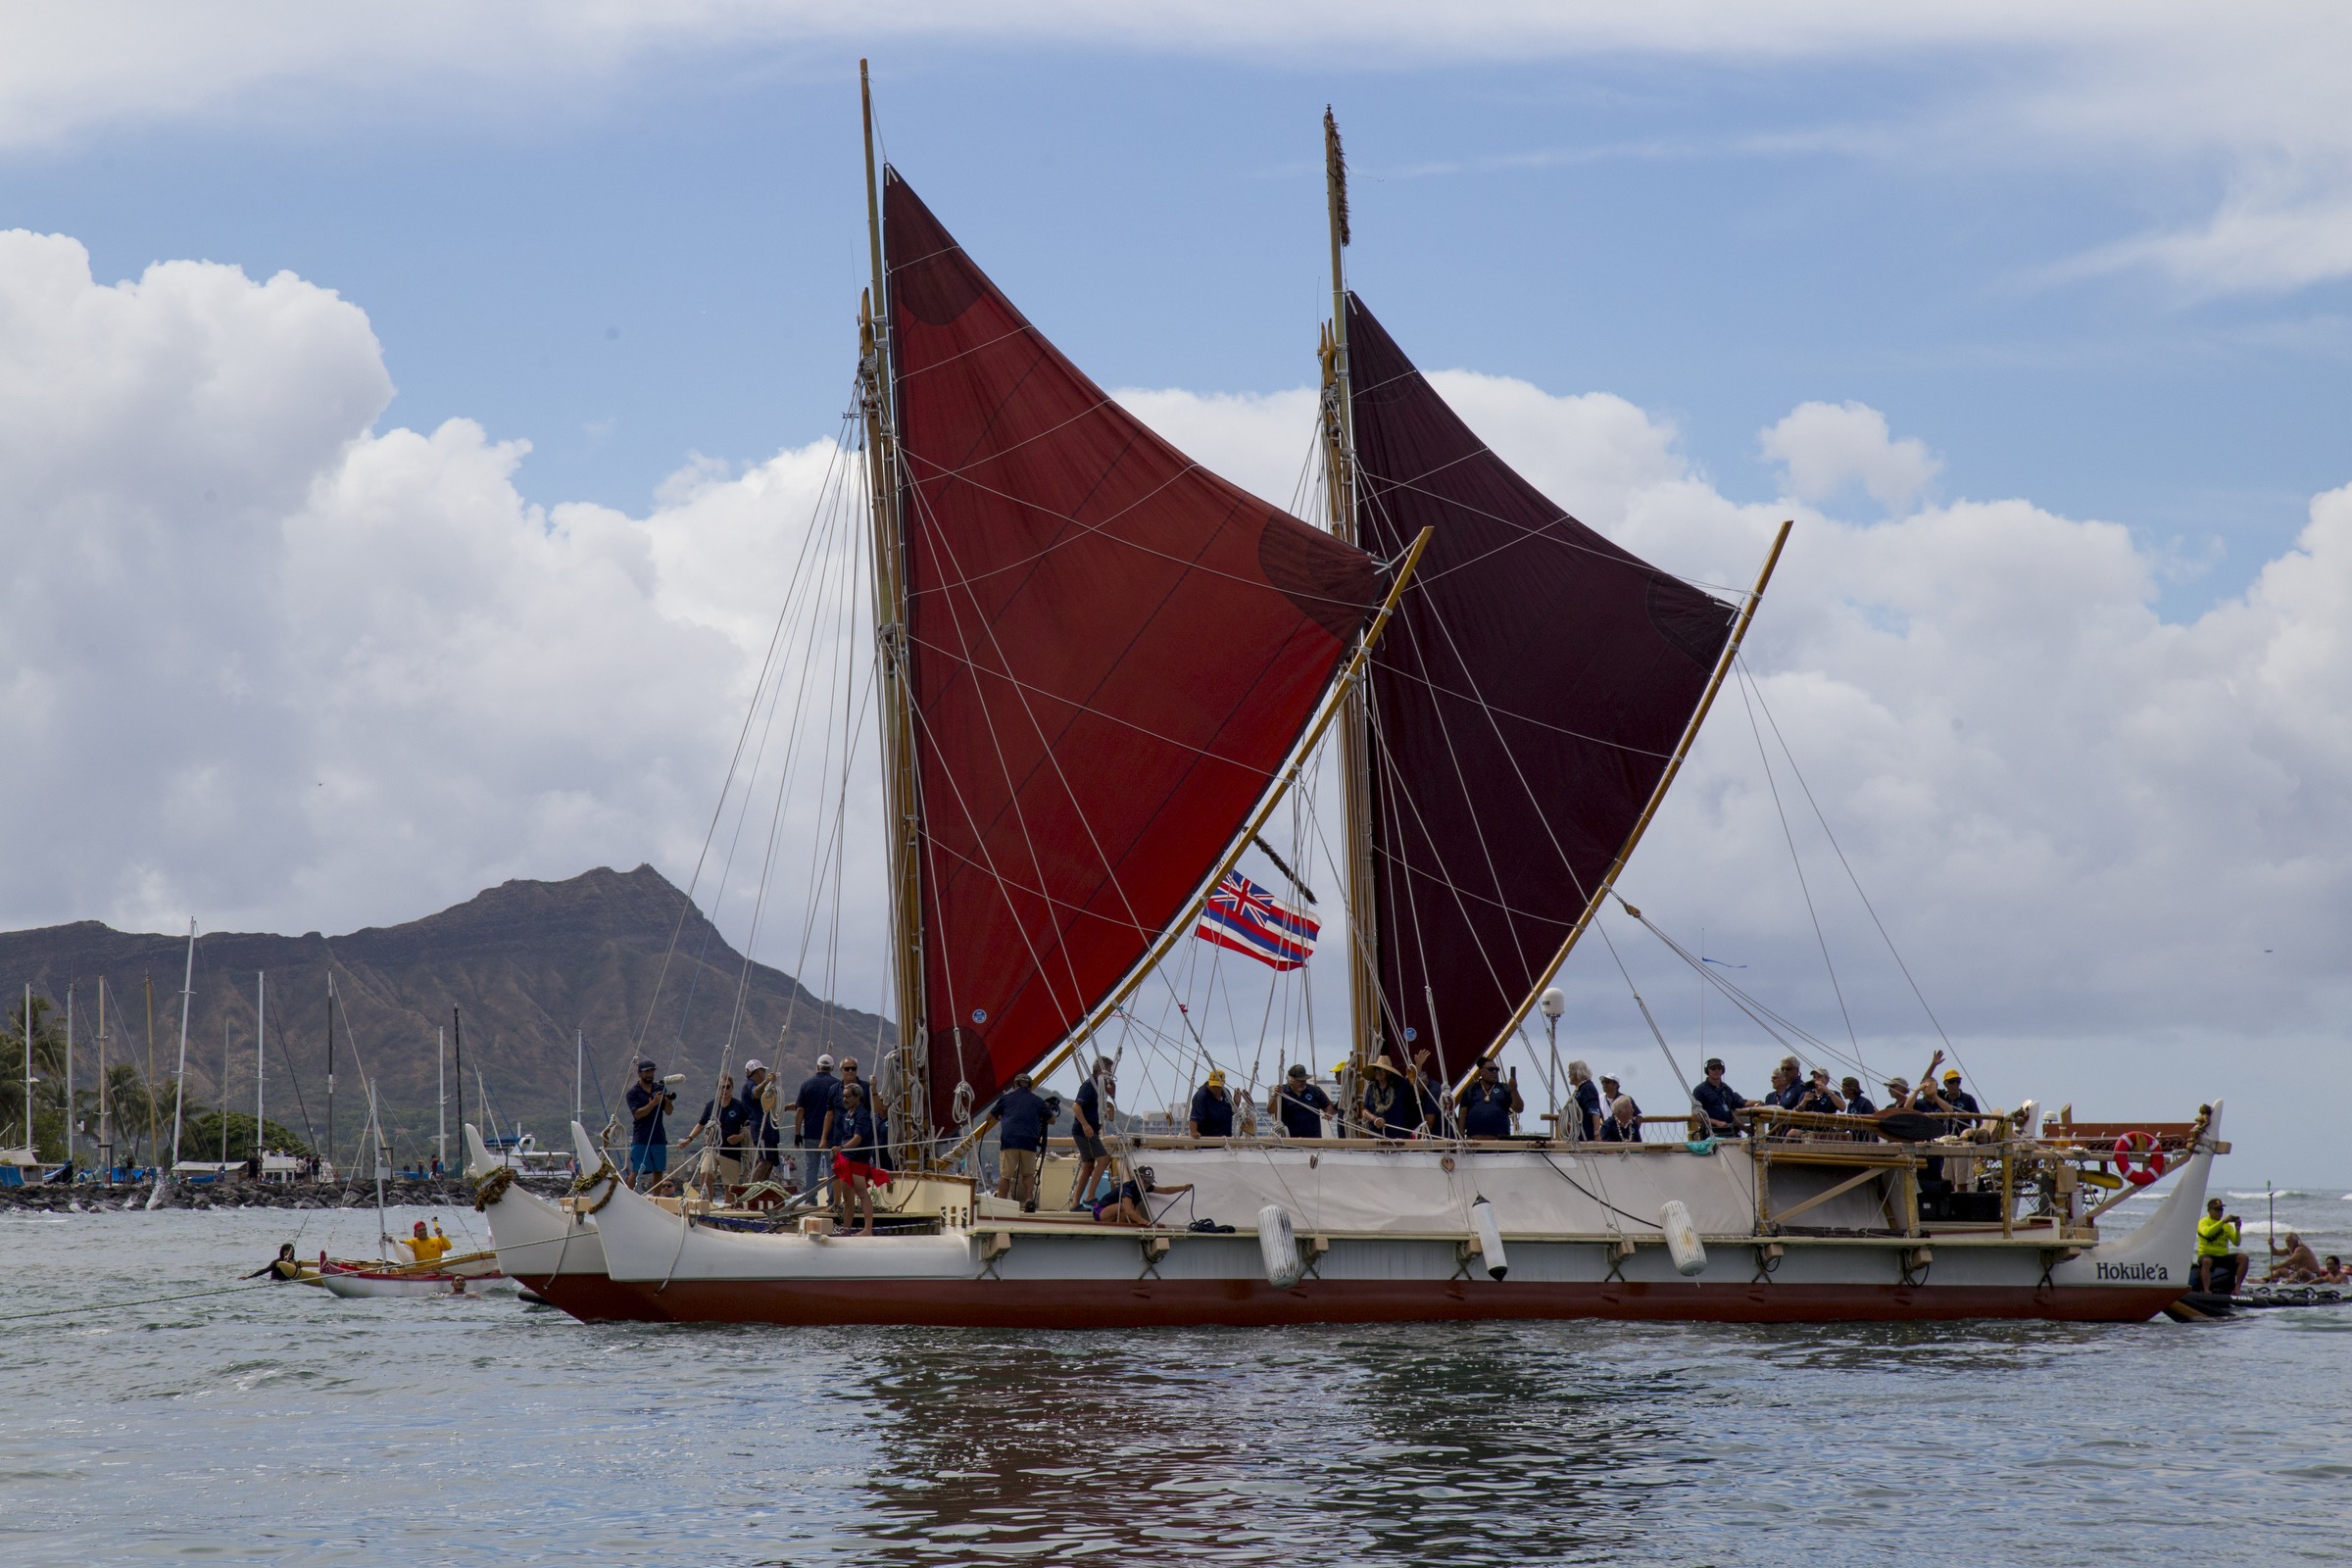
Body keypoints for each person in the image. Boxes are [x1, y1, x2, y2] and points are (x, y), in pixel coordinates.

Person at [829, 1082, 887, 1237]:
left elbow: (857, 1138)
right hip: (846, 1158)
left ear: (857, 1097)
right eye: (843, 1096)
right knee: (847, 1197)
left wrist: (842, 1148)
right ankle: (846, 1229)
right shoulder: (847, 1114)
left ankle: (867, 1229)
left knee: (862, 1193)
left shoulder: (862, 1115)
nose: (845, 1099)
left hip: (856, 1159)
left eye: (848, 1096)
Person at [991, 1071, 1050, 1209]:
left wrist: (1002, 1117)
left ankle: (1001, 1203)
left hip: (1009, 1140)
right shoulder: (1037, 1100)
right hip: (1029, 1141)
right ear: (1030, 1087)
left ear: (1014, 1085)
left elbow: (989, 1117)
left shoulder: (1005, 1099)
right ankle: (1029, 1200)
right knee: (1028, 1174)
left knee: (1006, 1175)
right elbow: (1052, 1120)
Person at [682, 1072, 747, 1196]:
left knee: (730, 1188)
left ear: (732, 1088)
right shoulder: (711, 1106)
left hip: (731, 1152)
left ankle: (729, 1210)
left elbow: (748, 1127)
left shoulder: (739, 1106)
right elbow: (701, 1124)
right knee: (704, 1175)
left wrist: (740, 1137)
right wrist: (689, 1139)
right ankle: (708, 1204)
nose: (724, 1090)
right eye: (721, 1087)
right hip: (712, 1148)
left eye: (727, 1087)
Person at [1069, 1056, 1116, 1213]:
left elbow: (1108, 1101)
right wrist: (1085, 1125)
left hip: (1089, 1130)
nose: (1111, 1073)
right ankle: (1089, 1195)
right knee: (1103, 1160)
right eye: (1109, 1069)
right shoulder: (1090, 1085)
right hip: (1085, 1131)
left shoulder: (1100, 1088)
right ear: (1100, 1070)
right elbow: (1076, 1106)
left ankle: (1075, 1203)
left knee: (1088, 1165)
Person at [624, 1058, 676, 1190]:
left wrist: (668, 1102)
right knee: (636, 1169)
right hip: (641, 1136)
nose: (649, 1075)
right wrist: (653, 1103)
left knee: (658, 1170)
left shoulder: (660, 1088)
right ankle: (628, 1197)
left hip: (658, 1136)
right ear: (639, 1073)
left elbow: (669, 1112)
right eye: (646, 1072)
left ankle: (656, 1200)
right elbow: (637, 1114)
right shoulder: (633, 1093)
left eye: (652, 1071)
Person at [794, 1054, 839, 1198]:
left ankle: (811, 1199)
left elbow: (800, 1110)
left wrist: (797, 1133)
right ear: (832, 1067)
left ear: (817, 1067)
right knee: (832, 1168)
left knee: (811, 1167)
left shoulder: (806, 1084)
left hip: (811, 1134)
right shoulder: (837, 1085)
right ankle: (832, 1200)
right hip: (831, 1135)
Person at [1090, 1163, 1193, 1226]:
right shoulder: (1128, 1188)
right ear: (1137, 1178)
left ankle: (1119, 1226)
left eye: (1149, 1182)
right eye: (1145, 1181)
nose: (1147, 1184)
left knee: (1129, 1211)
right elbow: (1129, 1211)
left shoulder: (1145, 1187)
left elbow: (1165, 1190)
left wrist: (1183, 1187)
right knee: (1127, 1207)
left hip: (1113, 1215)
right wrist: (1145, 1222)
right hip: (1100, 1212)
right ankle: (1119, 1225)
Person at [739, 1058, 783, 1186]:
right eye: (763, 1071)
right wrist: (766, 1081)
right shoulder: (749, 1086)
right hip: (761, 1128)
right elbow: (756, 1093)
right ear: (758, 1072)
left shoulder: (762, 1089)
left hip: (770, 1129)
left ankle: (761, 1188)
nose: (764, 1074)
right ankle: (752, 1189)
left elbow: (769, 1107)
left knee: (770, 1162)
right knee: (765, 1160)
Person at [1459, 1059, 1522, 1140]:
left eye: (1497, 1069)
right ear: (1481, 1072)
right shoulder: (1471, 1089)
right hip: (1474, 1140)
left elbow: (1519, 1108)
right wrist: (1460, 1137)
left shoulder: (1504, 1088)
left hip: (1499, 1141)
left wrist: (1514, 1089)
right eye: (1491, 1069)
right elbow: (1462, 1114)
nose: (1495, 1072)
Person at [2195, 1198, 2248, 1294]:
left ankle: (2237, 1288)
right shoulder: (2204, 1222)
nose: (2220, 1212)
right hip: (2206, 1254)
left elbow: (2237, 1243)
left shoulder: (2227, 1226)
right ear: (2209, 1210)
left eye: (2221, 1210)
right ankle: (2206, 1289)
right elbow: (2207, 1233)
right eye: (2217, 1209)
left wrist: (2237, 1229)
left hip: (2222, 1256)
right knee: (2207, 1261)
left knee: (2243, 1258)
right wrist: (2222, 1222)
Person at [1271, 1065, 1334, 1140]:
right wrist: (1275, 1095)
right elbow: (1271, 1110)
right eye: (1300, 1081)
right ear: (1291, 1080)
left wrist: (1329, 1113)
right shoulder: (1282, 1092)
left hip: (1313, 1140)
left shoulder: (1315, 1090)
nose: (1303, 1083)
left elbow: (1328, 1106)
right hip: (1289, 1141)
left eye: (1304, 1080)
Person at [1361, 1055, 1415, 1139]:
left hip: (1397, 1137)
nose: (1378, 1072)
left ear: (1388, 1072)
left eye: (1381, 1070)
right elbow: (1364, 1111)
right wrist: (1375, 1119)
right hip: (1375, 1136)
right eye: (1376, 1069)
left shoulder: (1399, 1086)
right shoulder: (1371, 1088)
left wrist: (1419, 1064)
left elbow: (1412, 1080)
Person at [1692, 1058, 1746, 1139]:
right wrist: (1716, 1122)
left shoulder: (1726, 1088)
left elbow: (1731, 1113)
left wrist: (1744, 1128)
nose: (1716, 1071)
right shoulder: (1699, 1090)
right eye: (1713, 1069)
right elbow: (1696, 1116)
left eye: (1719, 1068)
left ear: (1722, 1070)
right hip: (1711, 1133)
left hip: (1730, 1131)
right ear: (1707, 1071)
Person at [1189, 1069, 1236, 1139]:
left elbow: (1229, 1113)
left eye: (1218, 1087)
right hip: (1208, 1142)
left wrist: (1236, 1103)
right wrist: (1194, 1132)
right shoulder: (1201, 1096)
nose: (1215, 1089)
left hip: (1225, 1141)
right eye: (1213, 1086)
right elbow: (1194, 1117)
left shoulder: (1226, 1093)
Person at [1565, 1060, 1603, 1141]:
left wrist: (1596, 1134)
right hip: (1578, 1136)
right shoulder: (1579, 1089)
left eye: (1570, 1072)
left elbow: (1595, 1112)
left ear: (1577, 1073)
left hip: (1586, 1136)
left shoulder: (1587, 1088)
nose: (1568, 1075)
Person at [243, 1242, 307, 1281]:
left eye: (291, 1251)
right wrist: (249, 1277)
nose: (289, 1253)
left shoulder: (294, 1263)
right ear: (282, 1252)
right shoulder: (276, 1262)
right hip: (276, 1281)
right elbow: (265, 1270)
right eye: (286, 1251)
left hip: (288, 1282)